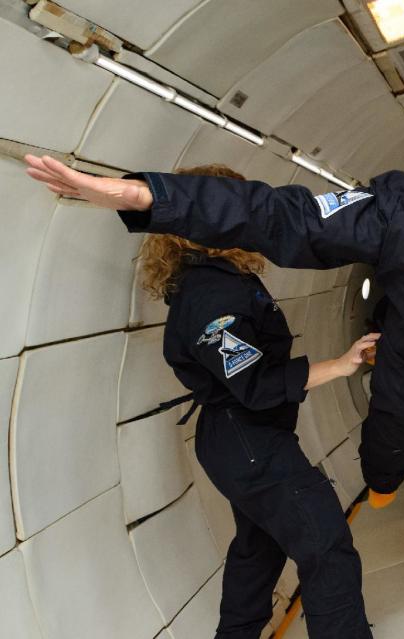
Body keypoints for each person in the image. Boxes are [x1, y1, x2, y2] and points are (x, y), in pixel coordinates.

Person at [24, 72, 404, 510]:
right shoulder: (393, 212)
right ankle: (384, 481)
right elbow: (282, 216)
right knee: (386, 461)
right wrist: (149, 197)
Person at [141, 164, 379, 639]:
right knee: (325, 542)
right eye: (239, 208)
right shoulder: (212, 294)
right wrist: (340, 364)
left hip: (244, 438)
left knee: (259, 549)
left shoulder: (217, 279)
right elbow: (255, 384)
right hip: (245, 440)